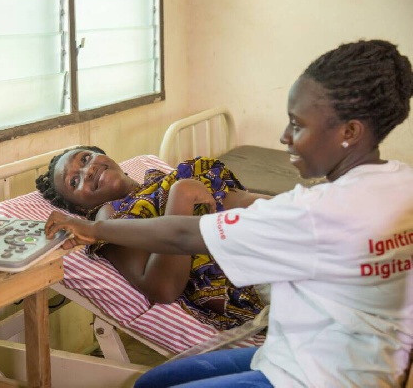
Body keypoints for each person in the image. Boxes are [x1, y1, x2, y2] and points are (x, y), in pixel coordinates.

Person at [45, 39, 413, 387]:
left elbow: (191, 231)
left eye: (297, 125)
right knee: (151, 381)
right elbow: (166, 276)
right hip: (352, 350)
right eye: (75, 180)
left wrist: (105, 224)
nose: (284, 136)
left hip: (320, 373)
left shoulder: (310, 212)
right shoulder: (402, 183)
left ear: (350, 131)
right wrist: (102, 225)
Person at [36, 147, 270, 330]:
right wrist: (182, 196)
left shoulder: (159, 180)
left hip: (288, 226)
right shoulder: (111, 216)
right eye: (75, 182)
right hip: (265, 265)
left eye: (86, 159)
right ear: (80, 207)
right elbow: (163, 287)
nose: (88, 171)